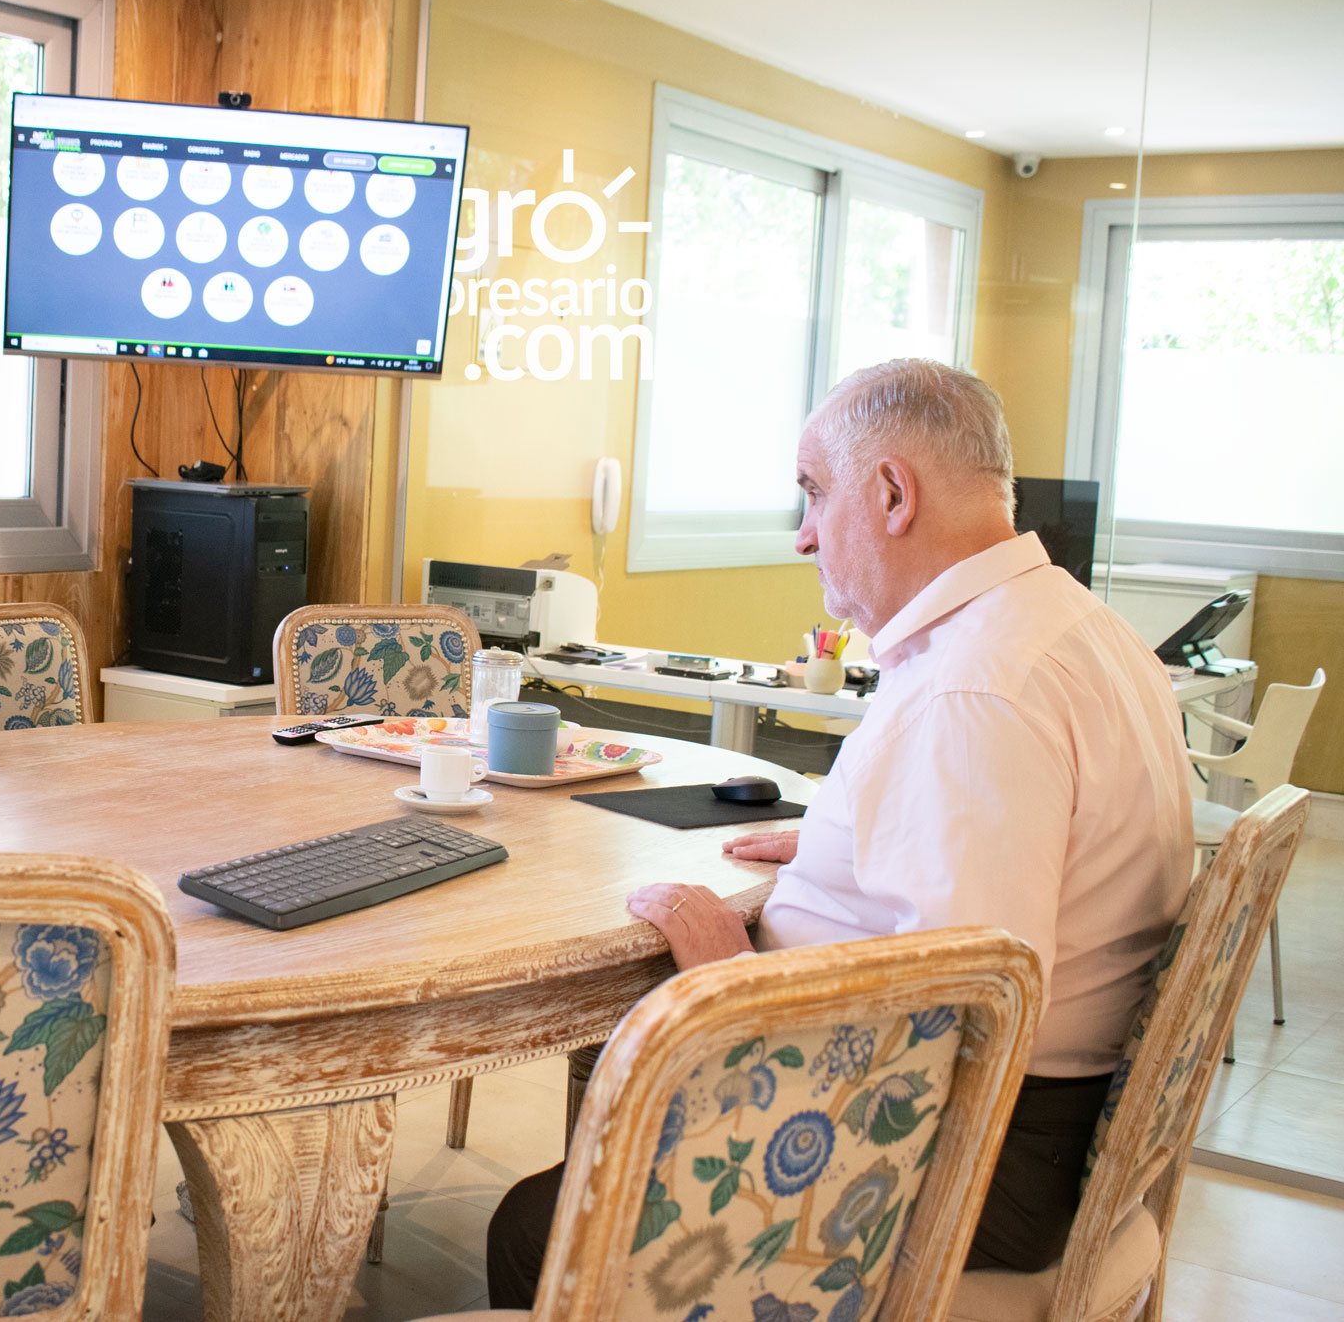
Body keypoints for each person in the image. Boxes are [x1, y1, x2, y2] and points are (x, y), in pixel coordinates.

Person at [487, 359, 1191, 1302]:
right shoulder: (1075, 627)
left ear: (894, 492)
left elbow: (960, 1020)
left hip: (975, 1156)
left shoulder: (973, 691)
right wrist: (856, 840)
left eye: (815, 493)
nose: (804, 535)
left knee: (540, 1229)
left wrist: (729, 976)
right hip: (1048, 1128)